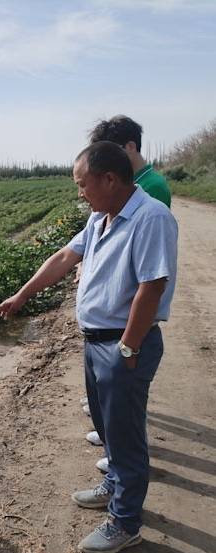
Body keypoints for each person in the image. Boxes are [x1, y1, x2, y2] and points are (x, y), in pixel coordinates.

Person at [0, 141, 178, 553]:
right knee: (107, 425)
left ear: (109, 179)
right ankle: (113, 484)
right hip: (96, 341)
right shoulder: (99, 219)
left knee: (126, 436)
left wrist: (128, 348)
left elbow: (152, 286)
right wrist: (21, 295)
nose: (79, 193)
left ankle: (125, 522)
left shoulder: (150, 217)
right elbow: (64, 257)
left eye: (82, 184)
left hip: (123, 344)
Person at [83, 115, 172, 470]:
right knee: (117, 420)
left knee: (128, 424)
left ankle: (125, 484)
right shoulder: (105, 209)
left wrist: (129, 347)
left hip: (123, 330)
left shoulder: (151, 196)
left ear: (129, 148)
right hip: (105, 332)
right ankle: (118, 466)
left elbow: (151, 281)